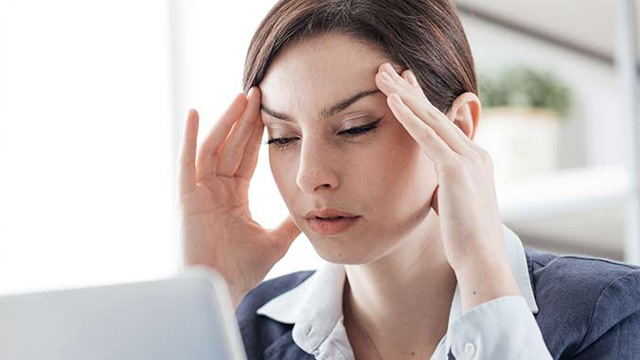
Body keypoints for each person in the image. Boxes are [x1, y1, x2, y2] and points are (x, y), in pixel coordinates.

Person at [175, 0, 640, 359]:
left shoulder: (611, 312)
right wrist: (207, 294)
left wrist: (484, 274)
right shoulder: (243, 329)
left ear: (456, 128)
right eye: (282, 137)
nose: (309, 176)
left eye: (356, 127)